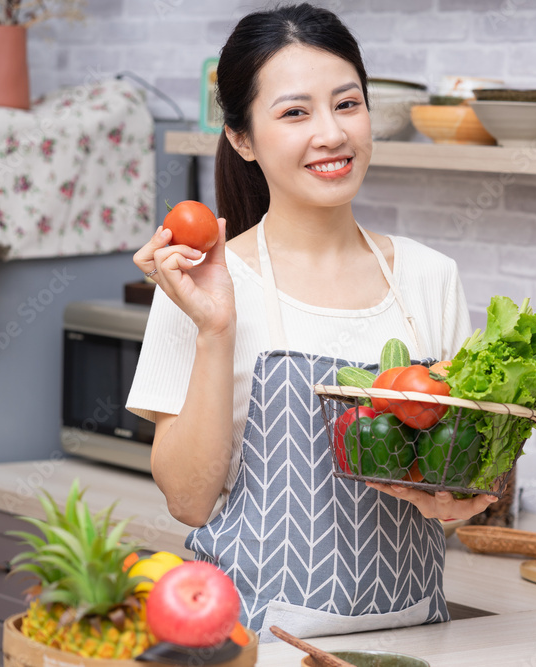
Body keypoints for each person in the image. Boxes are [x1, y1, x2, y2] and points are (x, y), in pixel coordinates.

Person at [126, 3, 498, 643]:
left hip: (410, 639)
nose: (331, 133)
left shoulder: (430, 277)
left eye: (347, 104)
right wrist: (216, 328)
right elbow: (188, 500)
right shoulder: (198, 284)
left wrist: (459, 502)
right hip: (251, 642)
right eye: (295, 112)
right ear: (242, 139)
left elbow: (466, 481)